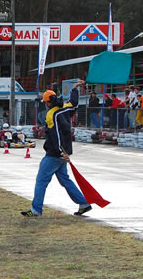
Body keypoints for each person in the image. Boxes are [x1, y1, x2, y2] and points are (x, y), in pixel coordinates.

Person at [21, 80, 91, 217]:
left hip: (55, 153)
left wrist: (60, 152)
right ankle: (84, 203)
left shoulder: (51, 114)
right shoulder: (65, 108)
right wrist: (75, 88)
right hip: (63, 153)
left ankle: (36, 210)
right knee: (65, 180)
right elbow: (74, 102)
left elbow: (55, 134)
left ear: (48, 103)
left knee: (41, 181)